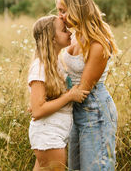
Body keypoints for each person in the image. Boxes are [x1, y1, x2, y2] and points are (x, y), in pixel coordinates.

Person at [56, 0, 118, 171]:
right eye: (59, 10)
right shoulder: (73, 36)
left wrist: (49, 103)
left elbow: (83, 89)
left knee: (95, 167)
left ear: (77, 8)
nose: (60, 16)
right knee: (74, 167)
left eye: (63, 11)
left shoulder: (97, 44)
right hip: (75, 110)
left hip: (95, 110)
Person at [28, 15, 89, 171]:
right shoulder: (40, 66)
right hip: (48, 135)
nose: (70, 32)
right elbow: (38, 110)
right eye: (64, 30)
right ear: (52, 38)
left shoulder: (57, 62)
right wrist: (69, 96)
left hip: (55, 133)